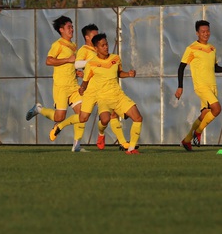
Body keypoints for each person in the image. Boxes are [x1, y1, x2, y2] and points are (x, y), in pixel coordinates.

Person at [25, 15, 86, 152]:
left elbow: (70, 65)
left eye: (72, 27)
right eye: (69, 27)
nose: (72, 29)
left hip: (73, 85)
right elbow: (49, 61)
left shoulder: (73, 45)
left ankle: (76, 145)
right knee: (59, 117)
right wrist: (67, 59)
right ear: (61, 30)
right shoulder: (57, 44)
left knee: (83, 115)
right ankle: (38, 109)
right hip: (61, 87)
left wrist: (77, 72)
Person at [175, 20, 222, 151]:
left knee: (204, 114)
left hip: (212, 86)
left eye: (207, 31)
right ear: (197, 33)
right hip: (201, 86)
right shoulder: (191, 48)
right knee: (217, 109)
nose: (206, 33)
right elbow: (181, 68)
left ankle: (187, 141)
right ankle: (198, 132)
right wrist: (180, 87)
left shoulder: (212, 48)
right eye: (203, 32)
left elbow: (214, 68)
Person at [78, 33, 142, 154]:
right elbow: (85, 81)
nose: (106, 47)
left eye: (106, 44)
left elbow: (119, 73)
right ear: (96, 48)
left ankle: (131, 149)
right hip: (103, 98)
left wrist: (128, 74)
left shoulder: (115, 58)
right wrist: (82, 88)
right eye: (102, 45)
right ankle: (101, 133)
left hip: (118, 96)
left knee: (138, 118)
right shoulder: (91, 64)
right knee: (105, 120)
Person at [74, 23, 130, 150]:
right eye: (94, 35)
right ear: (88, 38)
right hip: (93, 90)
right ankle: (60, 127)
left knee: (112, 115)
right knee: (84, 117)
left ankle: (122, 143)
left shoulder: (102, 51)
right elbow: (77, 64)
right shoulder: (85, 50)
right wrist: (95, 63)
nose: (98, 37)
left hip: (107, 88)